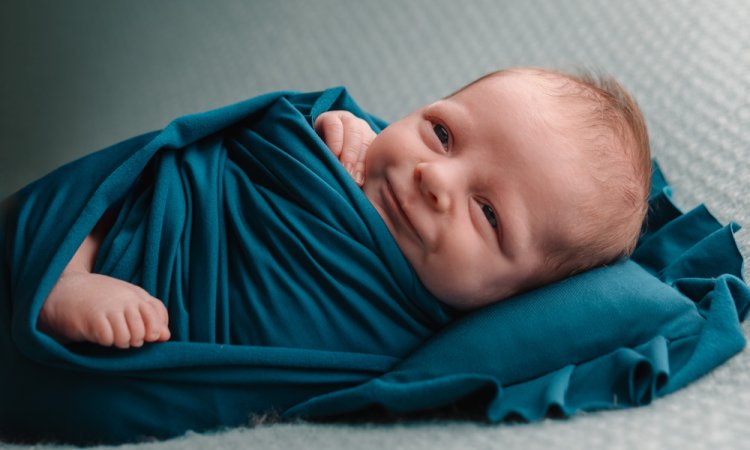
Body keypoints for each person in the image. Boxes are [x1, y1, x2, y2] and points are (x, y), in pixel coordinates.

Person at [37, 67, 651, 349]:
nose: (436, 179)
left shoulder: (423, 333)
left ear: (516, 296)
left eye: (488, 214)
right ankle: (64, 272)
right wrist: (331, 128)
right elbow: (243, 154)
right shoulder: (344, 153)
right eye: (441, 133)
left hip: (180, 322)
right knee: (132, 187)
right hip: (153, 223)